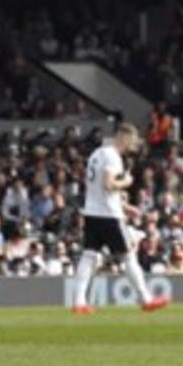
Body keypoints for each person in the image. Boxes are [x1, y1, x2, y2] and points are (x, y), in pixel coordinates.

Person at [68, 122, 168, 315]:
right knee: (128, 255)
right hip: (109, 215)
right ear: (124, 137)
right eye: (132, 141)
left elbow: (96, 188)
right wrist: (126, 182)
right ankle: (146, 299)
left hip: (92, 212)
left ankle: (79, 301)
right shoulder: (113, 156)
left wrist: (125, 206)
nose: (132, 146)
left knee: (89, 256)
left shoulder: (97, 154)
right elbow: (108, 184)